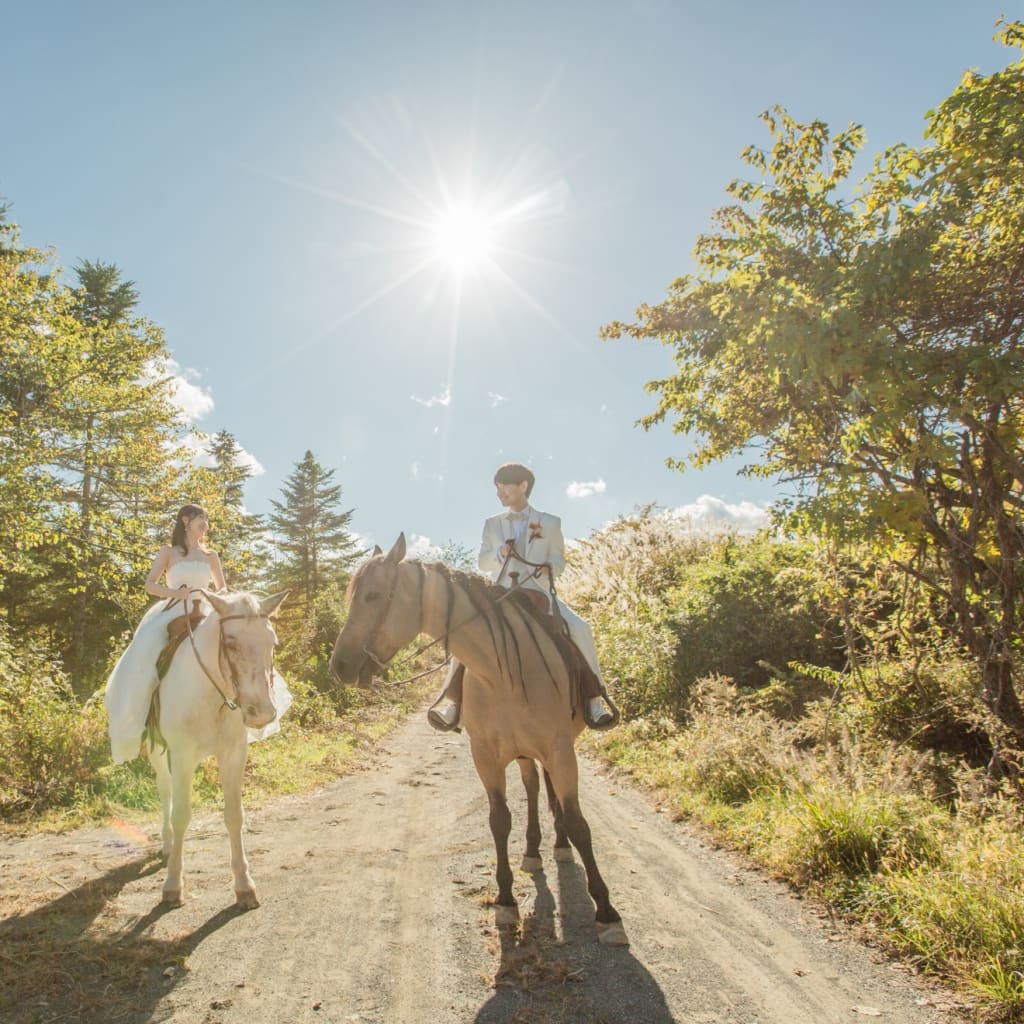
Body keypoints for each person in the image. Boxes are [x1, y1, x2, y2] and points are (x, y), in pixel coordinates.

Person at [428, 462, 616, 732]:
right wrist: (500, 555)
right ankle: (453, 704)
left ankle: (594, 700)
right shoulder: (492, 524)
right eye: (497, 488)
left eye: (504, 486)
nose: (499, 493)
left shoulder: (551, 523)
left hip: (537, 593)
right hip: (500, 596)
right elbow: (483, 562)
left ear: (523, 486)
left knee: (579, 628)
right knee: (466, 633)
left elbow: (559, 561)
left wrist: (548, 567)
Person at [104, 504, 291, 763]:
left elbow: (222, 589)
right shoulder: (169, 553)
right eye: (199, 517)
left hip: (206, 611)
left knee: (238, 650)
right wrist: (175, 594)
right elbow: (150, 584)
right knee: (147, 652)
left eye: (206, 517)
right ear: (185, 520)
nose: (205, 521)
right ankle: (146, 717)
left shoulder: (211, 555)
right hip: (174, 610)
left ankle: (243, 707)